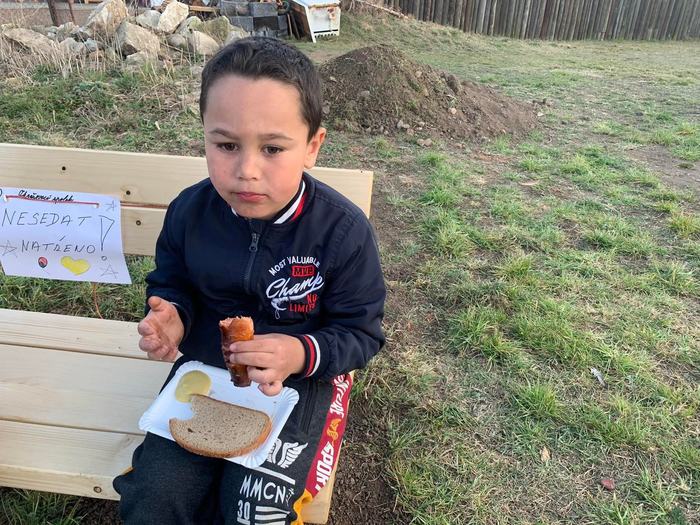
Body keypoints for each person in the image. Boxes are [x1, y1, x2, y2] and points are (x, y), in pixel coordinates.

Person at [112, 36, 386, 525]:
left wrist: (298, 353)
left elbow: (360, 333)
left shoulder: (342, 232)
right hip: (205, 371)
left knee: (254, 507)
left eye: (273, 148)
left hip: (302, 382)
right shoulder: (189, 213)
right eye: (226, 145)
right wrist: (172, 315)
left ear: (312, 147)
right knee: (155, 495)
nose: (246, 171)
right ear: (204, 135)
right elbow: (171, 282)